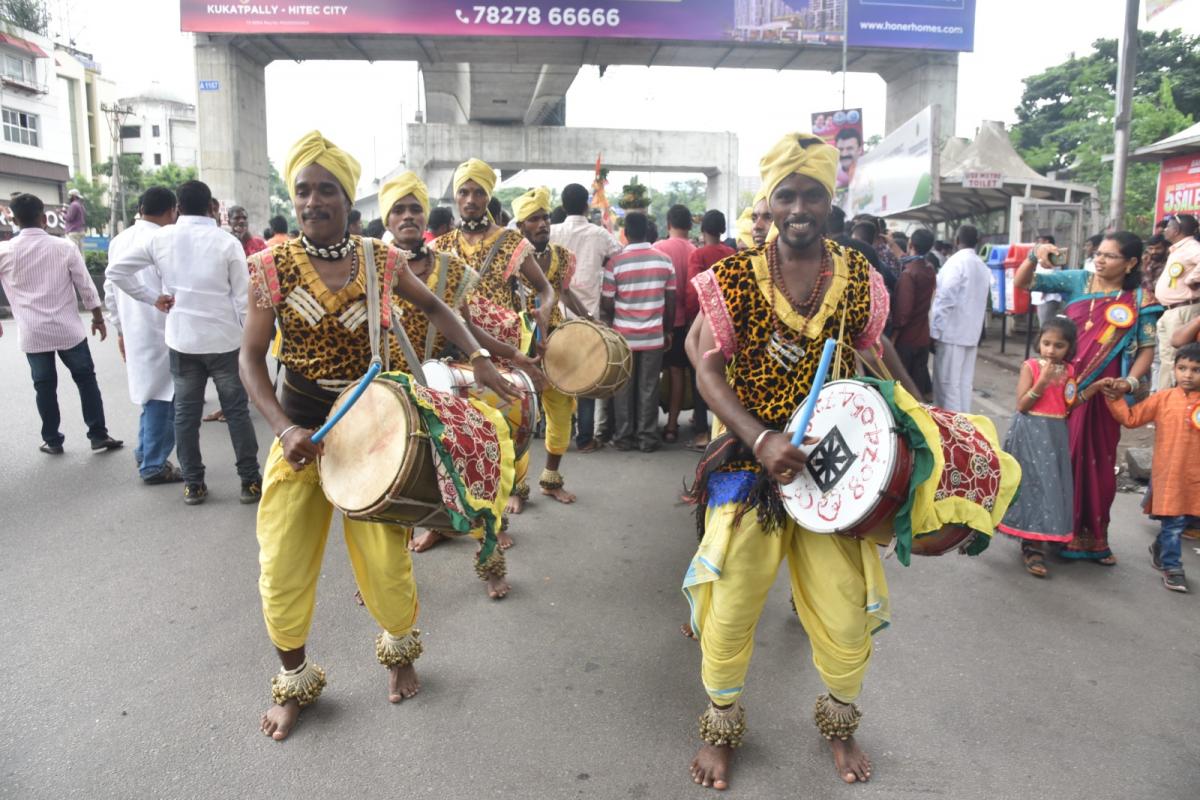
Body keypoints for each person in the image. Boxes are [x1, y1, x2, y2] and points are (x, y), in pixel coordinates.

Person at [239, 131, 520, 741]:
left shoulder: (379, 259)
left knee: (385, 564)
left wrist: (480, 356)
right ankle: (294, 681)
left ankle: (401, 656)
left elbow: (444, 312)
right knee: (282, 564)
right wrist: (285, 428)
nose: (314, 201)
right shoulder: (269, 266)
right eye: (304, 190)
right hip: (303, 437)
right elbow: (251, 359)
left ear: (349, 200)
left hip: (374, 436)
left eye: (328, 190)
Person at [683, 132, 917, 790]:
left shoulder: (859, 275)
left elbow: (880, 351)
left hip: (834, 473)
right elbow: (704, 367)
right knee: (730, 609)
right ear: (769, 201)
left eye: (812, 192)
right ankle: (722, 724)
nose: (799, 205)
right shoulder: (729, 278)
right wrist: (759, 438)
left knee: (845, 615)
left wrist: (926, 413)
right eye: (786, 193)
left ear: (829, 200)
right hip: (751, 469)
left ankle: (841, 726)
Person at [382, 172, 541, 564]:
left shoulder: (450, 268)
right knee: (397, 475)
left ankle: (489, 556)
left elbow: (469, 328)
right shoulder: (371, 266)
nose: (407, 217)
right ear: (386, 219)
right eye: (398, 210)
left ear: (425, 217)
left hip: (443, 383)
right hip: (391, 388)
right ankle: (403, 553)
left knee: (470, 467)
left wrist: (511, 356)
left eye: (415, 209)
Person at [106, 180, 262, 506]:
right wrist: (253, 345)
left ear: (178, 206)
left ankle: (194, 484)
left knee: (185, 416)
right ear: (211, 207)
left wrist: (153, 297)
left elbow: (117, 272)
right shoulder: (226, 242)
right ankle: (249, 481)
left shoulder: (161, 238)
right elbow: (242, 300)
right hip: (223, 341)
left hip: (182, 341)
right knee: (236, 413)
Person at [1014, 233, 1162, 565]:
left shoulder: (1139, 300)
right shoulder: (1079, 279)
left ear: (1131, 263)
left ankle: (1089, 539)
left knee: (1096, 463)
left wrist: (1129, 381)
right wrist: (1035, 256)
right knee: (1051, 459)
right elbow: (1025, 282)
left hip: (1105, 393)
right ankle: (1037, 536)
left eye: (1110, 256)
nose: (1100, 259)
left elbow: (1147, 349)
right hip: (1060, 390)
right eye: (1099, 253)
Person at [433, 157, 554, 515]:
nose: (470, 199)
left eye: (478, 192)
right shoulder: (441, 246)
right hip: (457, 345)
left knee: (506, 420)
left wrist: (544, 310)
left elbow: (546, 290)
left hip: (503, 344)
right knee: (458, 427)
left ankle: (509, 492)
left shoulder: (510, 242)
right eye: (464, 192)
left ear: (488, 197)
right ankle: (456, 509)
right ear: (456, 197)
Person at [0, 193, 122, 454]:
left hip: (33, 333)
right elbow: (85, 285)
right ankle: (98, 434)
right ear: (44, 218)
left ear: (15, 220)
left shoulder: (5, 250)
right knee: (86, 380)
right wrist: (98, 317)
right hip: (68, 330)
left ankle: (53, 440)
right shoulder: (64, 247)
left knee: (44, 386)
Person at [511, 187, 592, 502]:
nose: (543, 223)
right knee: (520, 416)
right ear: (521, 227)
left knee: (560, 411)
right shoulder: (510, 259)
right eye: (534, 219)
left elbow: (565, 293)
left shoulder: (560, 255)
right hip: (520, 342)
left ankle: (551, 480)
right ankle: (517, 488)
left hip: (557, 342)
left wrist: (588, 318)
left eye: (545, 217)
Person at [1099, 341, 1200, 593]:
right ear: (1174, 369)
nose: (1187, 375)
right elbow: (1131, 418)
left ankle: (1160, 546)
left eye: (1196, 370)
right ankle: (1172, 567)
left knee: (1186, 518)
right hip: (1169, 473)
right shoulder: (1164, 398)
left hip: (1196, 476)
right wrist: (1116, 399)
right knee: (1174, 522)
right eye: (1182, 368)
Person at [996, 318, 1092, 577]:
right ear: (1039, 342)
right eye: (1047, 343)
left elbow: (1069, 404)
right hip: (1030, 432)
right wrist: (1043, 381)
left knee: (1050, 485)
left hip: (1056, 434)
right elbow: (1022, 405)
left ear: (1069, 348)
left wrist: (1093, 389)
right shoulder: (1031, 366)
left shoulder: (1070, 371)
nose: (1051, 350)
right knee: (1030, 484)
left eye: (1058, 345)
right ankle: (1031, 546)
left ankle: (1039, 536)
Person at [102, 188, 181, 484]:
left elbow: (110, 289)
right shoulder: (163, 239)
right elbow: (173, 285)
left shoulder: (120, 240)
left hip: (134, 328)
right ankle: (154, 463)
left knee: (151, 394)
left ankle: (145, 451)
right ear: (171, 210)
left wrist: (119, 327)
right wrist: (152, 297)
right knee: (164, 396)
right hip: (161, 326)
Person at [550, 182, 621, 452]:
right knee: (586, 377)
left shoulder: (552, 232)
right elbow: (619, 255)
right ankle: (585, 439)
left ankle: (558, 433)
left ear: (563, 205)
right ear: (586, 205)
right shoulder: (599, 234)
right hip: (588, 315)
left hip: (556, 313)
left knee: (557, 373)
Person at [602, 211, 674, 452]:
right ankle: (647, 438)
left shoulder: (615, 262)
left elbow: (607, 302)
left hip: (623, 337)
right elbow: (670, 300)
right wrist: (668, 331)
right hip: (654, 336)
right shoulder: (664, 260)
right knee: (649, 387)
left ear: (625, 233)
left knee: (623, 388)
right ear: (647, 230)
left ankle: (624, 437)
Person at [683, 210, 734, 450]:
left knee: (703, 372)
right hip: (730, 322)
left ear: (703, 231)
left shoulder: (699, 254)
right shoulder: (731, 254)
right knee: (725, 374)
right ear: (723, 230)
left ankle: (702, 431)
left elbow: (694, 292)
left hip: (705, 321)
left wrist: (692, 316)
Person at [930, 225, 990, 412]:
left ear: (956, 240)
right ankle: (965, 427)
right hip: (971, 333)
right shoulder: (981, 265)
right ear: (977, 241)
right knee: (963, 385)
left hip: (951, 333)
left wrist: (935, 330)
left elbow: (945, 298)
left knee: (947, 385)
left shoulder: (955, 263)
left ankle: (951, 430)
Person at [656, 204, 698, 444]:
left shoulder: (657, 249)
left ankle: (647, 425)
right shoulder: (695, 251)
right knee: (677, 372)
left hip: (656, 322)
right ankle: (672, 426)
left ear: (668, 224)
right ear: (690, 225)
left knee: (651, 375)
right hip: (684, 323)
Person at [1154, 213, 1200, 390]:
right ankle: (1164, 402)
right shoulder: (1179, 249)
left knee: (1179, 359)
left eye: (1168, 227)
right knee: (1167, 360)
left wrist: (1192, 279)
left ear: (1177, 230)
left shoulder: (1191, 247)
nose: (1165, 230)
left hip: (1183, 309)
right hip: (1170, 311)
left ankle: (1178, 404)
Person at [892, 228, 937, 400]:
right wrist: (892, 243)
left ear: (911, 244)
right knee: (918, 386)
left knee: (904, 391)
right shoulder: (929, 269)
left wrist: (894, 336)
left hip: (906, 340)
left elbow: (903, 313)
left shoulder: (909, 274)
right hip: (922, 336)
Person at [1026, 235, 1064, 328]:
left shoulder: (1052, 254)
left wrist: (1044, 290)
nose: (1038, 244)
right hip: (1042, 295)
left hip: (1047, 296)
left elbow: (1050, 274)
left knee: (1045, 324)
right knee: (1043, 323)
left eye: (1040, 242)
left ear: (1047, 242)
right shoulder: (1043, 254)